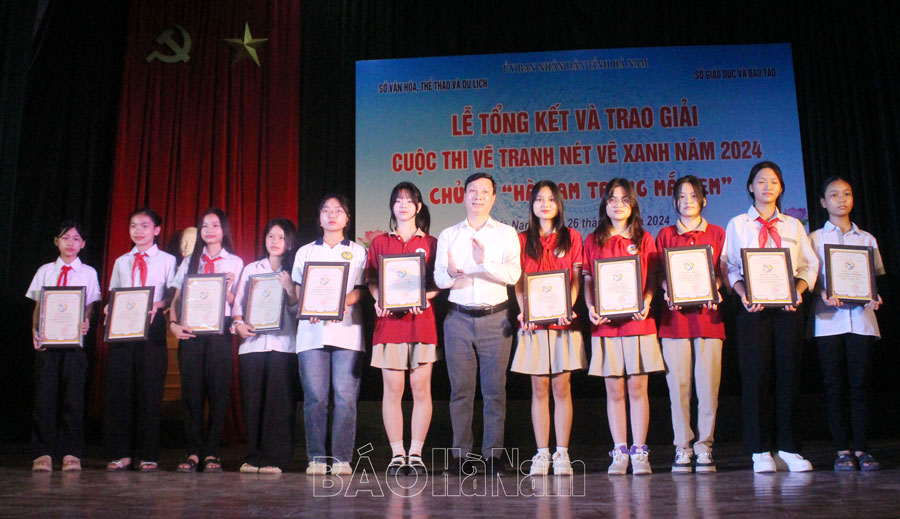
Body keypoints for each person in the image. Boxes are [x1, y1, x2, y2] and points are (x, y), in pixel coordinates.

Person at [724, 161, 818, 473]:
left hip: (789, 310)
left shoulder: (793, 226)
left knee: (789, 376)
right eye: (761, 181)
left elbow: (809, 266)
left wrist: (798, 291)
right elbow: (730, 267)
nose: (767, 187)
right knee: (755, 378)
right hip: (752, 311)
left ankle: (789, 448)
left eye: (774, 181)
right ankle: (760, 449)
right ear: (750, 187)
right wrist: (742, 294)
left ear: (781, 188)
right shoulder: (738, 225)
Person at [434, 172, 521, 476]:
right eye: (472, 191)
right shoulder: (449, 234)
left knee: (494, 391)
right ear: (464, 196)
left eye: (484, 192)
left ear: (493, 198)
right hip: (457, 318)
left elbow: (513, 275)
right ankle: (461, 455)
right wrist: (451, 274)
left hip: (496, 319)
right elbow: (439, 278)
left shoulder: (506, 233)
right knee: (461, 391)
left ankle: (493, 456)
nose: (478, 197)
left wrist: (484, 262)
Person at [583, 178, 663, 475]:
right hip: (606, 326)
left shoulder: (645, 238)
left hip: (638, 323)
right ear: (604, 204)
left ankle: (639, 451)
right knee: (614, 390)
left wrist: (647, 300)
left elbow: (652, 278)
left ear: (633, 205)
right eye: (612, 199)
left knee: (638, 389)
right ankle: (619, 451)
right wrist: (591, 307)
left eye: (624, 199)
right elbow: (588, 280)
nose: (618, 205)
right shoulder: (593, 240)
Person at [511, 180, 586, 476]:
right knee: (539, 388)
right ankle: (542, 453)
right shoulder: (521, 240)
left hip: (563, 324)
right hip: (533, 325)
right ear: (532, 205)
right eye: (539, 199)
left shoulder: (572, 237)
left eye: (551, 199)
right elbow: (519, 283)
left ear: (559, 205)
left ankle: (562, 453)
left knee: (561, 387)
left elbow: (576, 280)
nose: (545, 204)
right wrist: (524, 311)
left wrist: (568, 306)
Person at [809, 176, 884, 471]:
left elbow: (873, 279)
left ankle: (863, 449)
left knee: (860, 385)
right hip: (828, 321)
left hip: (862, 321)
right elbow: (810, 279)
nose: (841, 199)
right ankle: (842, 450)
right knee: (833, 386)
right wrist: (823, 293)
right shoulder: (814, 238)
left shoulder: (867, 239)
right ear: (823, 202)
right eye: (834, 195)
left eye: (847, 194)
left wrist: (874, 296)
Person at [366, 182, 439, 476]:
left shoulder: (431, 243)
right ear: (392, 206)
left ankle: (416, 453)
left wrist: (425, 297)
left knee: (421, 389)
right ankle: (397, 454)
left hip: (421, 323)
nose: (404, 205)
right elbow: (372, 281)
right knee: (393, 390)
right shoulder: (380, 243)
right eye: (398, 200)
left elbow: (438, 283)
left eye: (409, 200)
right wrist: (378, 300)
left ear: (418, 207)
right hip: (389, 325)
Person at [655, 177, 726, 473]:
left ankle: (705, 446)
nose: (688, 201)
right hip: (675, 321)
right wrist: (667, 290)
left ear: (703, 200)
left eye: (693, 196)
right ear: (675, 202)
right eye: (682, 197)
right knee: (678, 388)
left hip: (709, 319)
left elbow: (721, 272)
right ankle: (682, 447)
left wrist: (715, 288)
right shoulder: (665, 235)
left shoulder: (717, 233)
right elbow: (659, 274)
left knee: (708, 388)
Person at [293, 194, 367, 476]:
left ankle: (341, 458)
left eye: (338, 210)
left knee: (345, 397)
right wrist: (308, 306)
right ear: (319, 217)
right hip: (311, 333)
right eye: (326, 210)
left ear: (347, 218)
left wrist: (342, 302)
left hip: (347, 332)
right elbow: (298, 290)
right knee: (315, 397)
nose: (332, 215)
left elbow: (362, 290)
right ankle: (316, 457)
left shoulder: (358, 252)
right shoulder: (306, 252)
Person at [168, 208, 244, 473]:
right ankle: (193, 451)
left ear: (224, 230)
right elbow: (177, 298)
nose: (209, 230)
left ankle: (212, 451)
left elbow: (238, 304)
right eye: (205, 226)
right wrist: (173, 325)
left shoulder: (235, 262)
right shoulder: (190, 261)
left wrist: (229, 289)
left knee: (218, 393)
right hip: (190, 332)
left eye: (215, 225)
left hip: (219, 333)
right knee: (192, 394)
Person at [103, 208, 176, 472]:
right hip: (123, 330)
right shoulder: (122, 261)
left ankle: (148, 454)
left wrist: (158, 304)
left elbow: (173, 295)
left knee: (149, 391)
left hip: (152, 329)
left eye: (144, 226)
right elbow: (115, 293)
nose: (138, 230)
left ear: (156, 230)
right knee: (121, 391)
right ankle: (121, 453)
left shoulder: (168, 260)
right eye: (133, 225)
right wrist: (109, 307)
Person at [27, 220, 101, 472]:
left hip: (74, 344)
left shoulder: (88, 272)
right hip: (48, 344)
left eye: (76, 238)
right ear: (56, 241)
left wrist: (86, 322)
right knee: (44, 397)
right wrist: (35, 330)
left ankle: (71, 452)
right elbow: (38, 305)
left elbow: (89, 306)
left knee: (73, 398)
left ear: (83, 244)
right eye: (65, 237)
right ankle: (43, 452)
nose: (71, 243)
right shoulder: (45, 270)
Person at [233, 218, 300, 474]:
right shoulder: (252, 269)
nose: (275, 241)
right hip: (252, 345)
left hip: (284, 345)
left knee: (279, 404)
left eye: (281, 237)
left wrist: (290, 289)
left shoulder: (295, 270)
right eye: (271, 236)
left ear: (290, 241)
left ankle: (277, 458)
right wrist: (238, 325)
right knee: (253, 403)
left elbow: (298, 311)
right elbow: (238, 305)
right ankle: (253, 456)